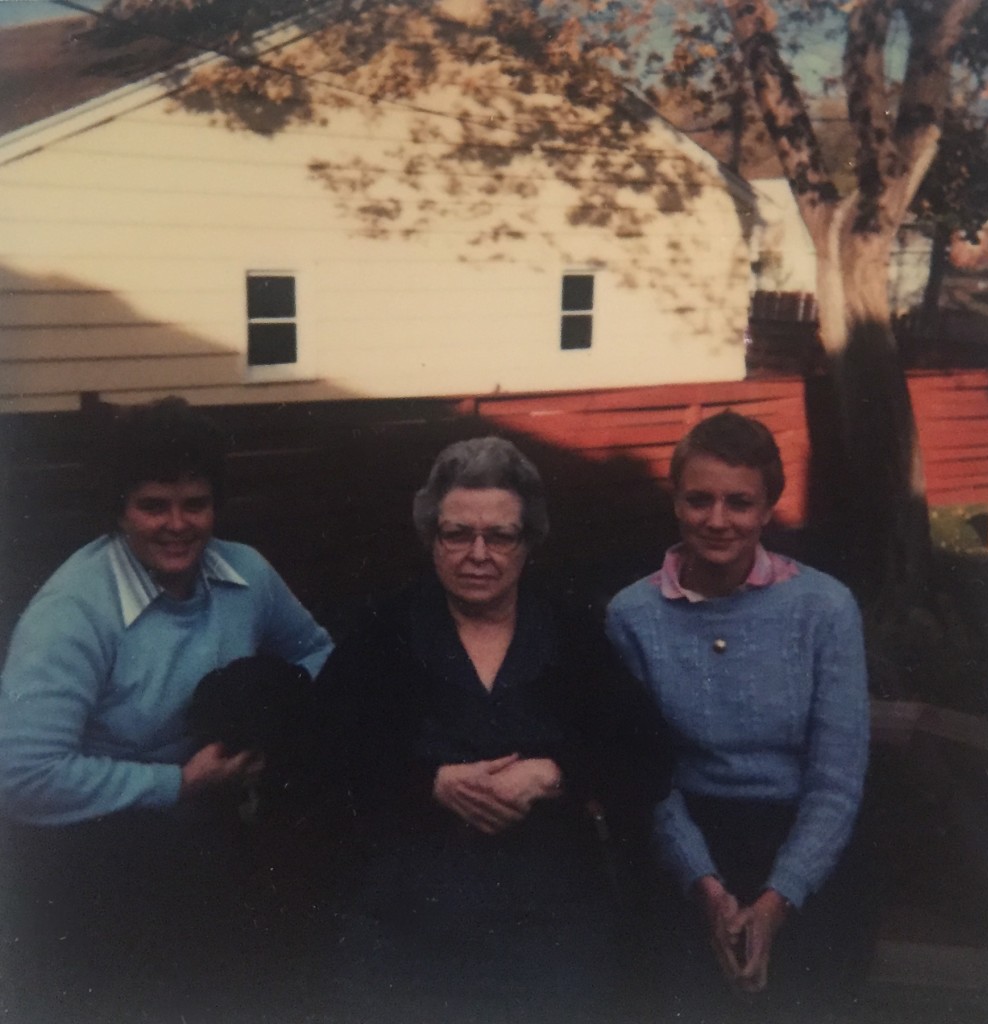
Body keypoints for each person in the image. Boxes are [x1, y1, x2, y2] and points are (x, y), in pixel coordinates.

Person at [312, 436, 672, 1024]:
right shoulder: (382, 632)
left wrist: (553, 773)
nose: (478, 553)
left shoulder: (572, 632)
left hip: (551, 937)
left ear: (529, 542)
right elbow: (318, 755)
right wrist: (428, 782)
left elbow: (648, 755)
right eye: (457, 534)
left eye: (500, 535)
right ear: (432, 537)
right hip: (406, 940)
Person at [0, 396, 334, 1022]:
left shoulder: (247, 574)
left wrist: (275, 716)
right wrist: (177, 783)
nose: (178, 524)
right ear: (119, 511)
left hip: (230, 837)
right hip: (102, 862)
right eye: (153, 504)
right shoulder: (71, 614)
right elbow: (20, 775)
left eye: (195, 503)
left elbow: (320, 656)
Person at [605, 410, 871, 1015]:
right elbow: (649, 776)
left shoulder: (824, 609)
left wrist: (779, 899)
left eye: (739, 502)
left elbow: (836, 782)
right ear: (676, 503)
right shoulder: (633, 615)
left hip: (805, 845)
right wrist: (707, 890)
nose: (718, 520)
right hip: (683, 844)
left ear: (768, 509)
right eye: (699, 500)